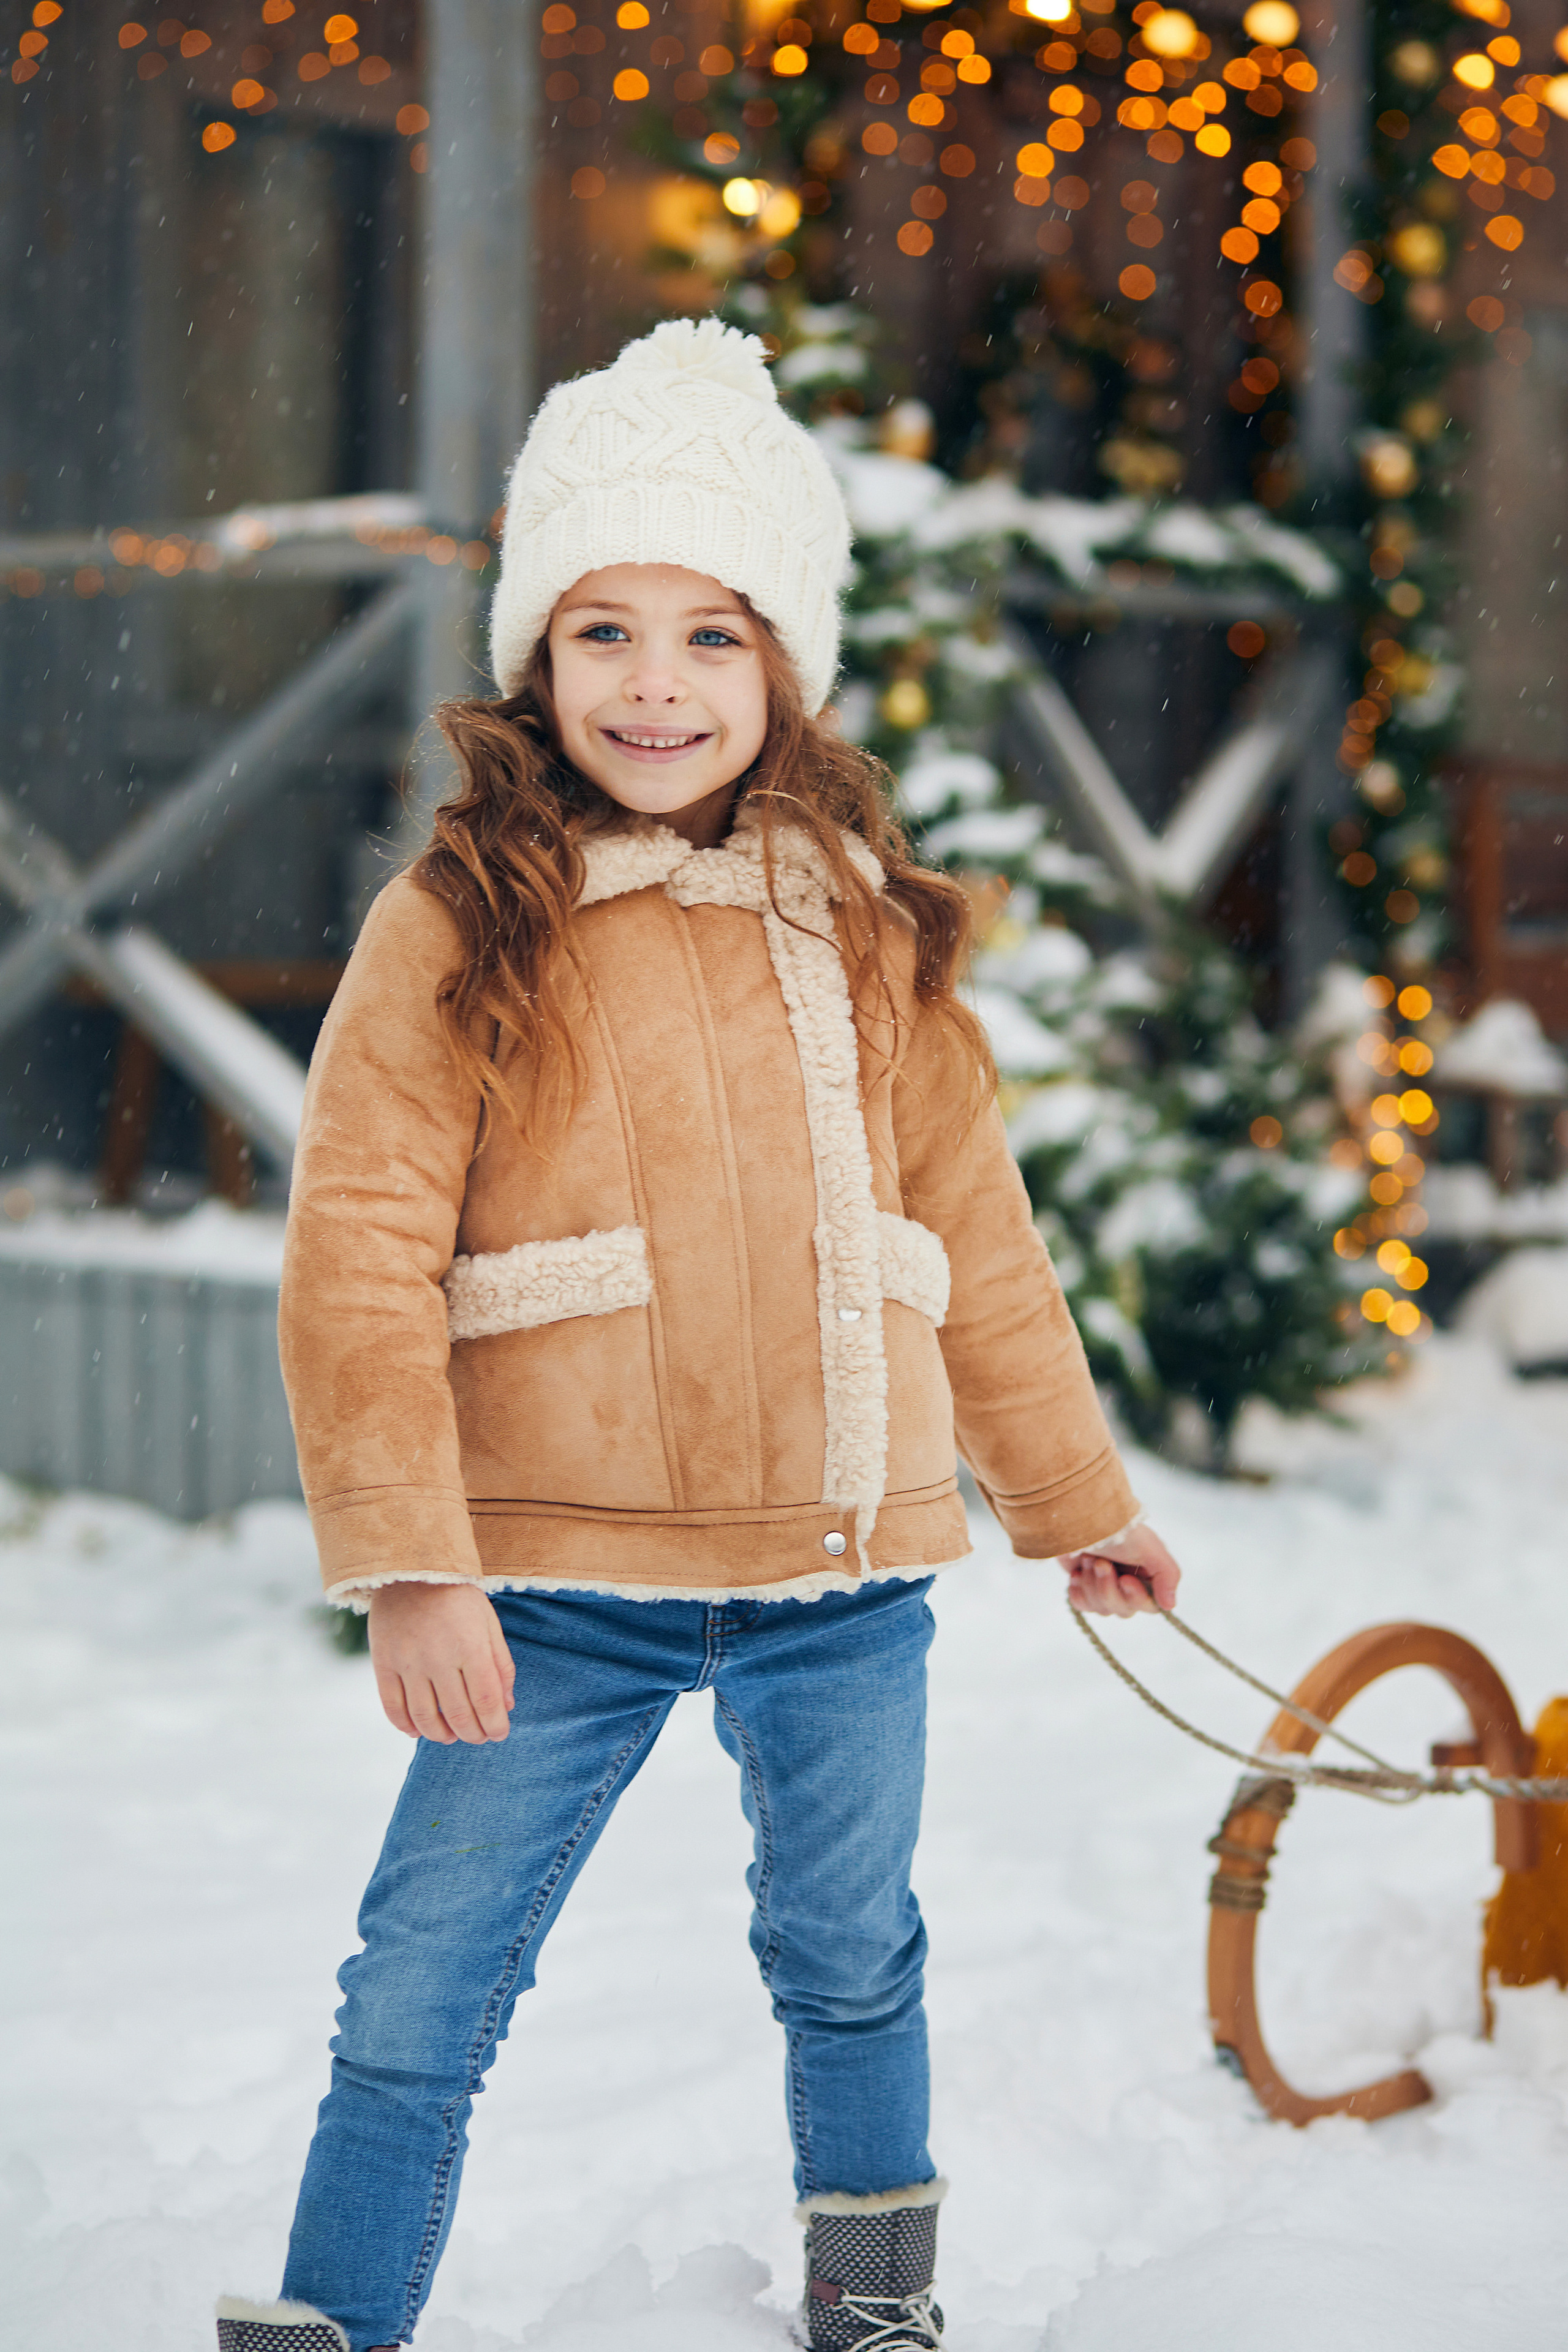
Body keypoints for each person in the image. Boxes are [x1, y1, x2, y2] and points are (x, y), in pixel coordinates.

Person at [215, 318, 1181, 2352]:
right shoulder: (463, 913)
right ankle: (331, 2322)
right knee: (422, 1986)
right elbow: (360, 1244)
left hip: (841, 1574)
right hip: (553, 1584)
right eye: (605, 633)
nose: (656, 687)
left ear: (788, 668)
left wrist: (1070, 1497)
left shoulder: (874, 925)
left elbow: (977, 1243)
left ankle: (878, 2305)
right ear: (536, 665)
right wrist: (413, 1562)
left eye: (712, 637)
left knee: (851, 1958)